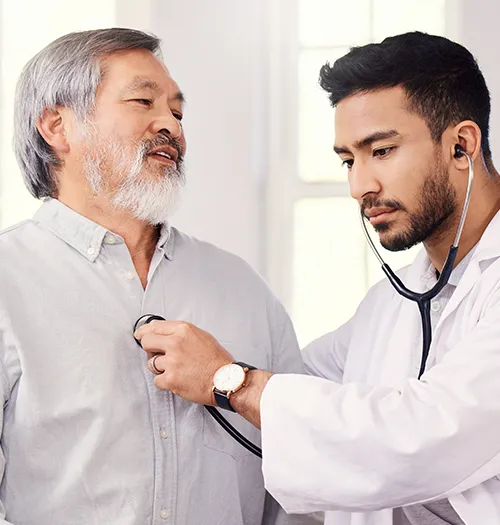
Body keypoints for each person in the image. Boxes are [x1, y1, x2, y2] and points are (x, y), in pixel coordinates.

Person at [134, 32, 500, 525]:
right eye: (349, 160)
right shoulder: (390, 306)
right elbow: (299, 384)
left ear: (461, 146)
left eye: (383, 151)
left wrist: (230, 381)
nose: (359, 186)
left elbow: (425, 434)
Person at [0, 28, 320, 525]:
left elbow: (299, 482)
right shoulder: (8, 279)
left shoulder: (241, 288)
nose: (169, 124)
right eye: (142, 101)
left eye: (177, 111)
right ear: (57, 126)